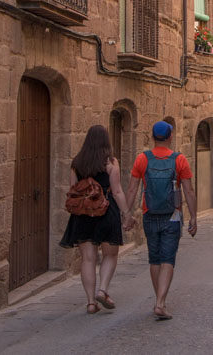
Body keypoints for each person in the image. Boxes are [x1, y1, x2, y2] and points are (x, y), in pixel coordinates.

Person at [124, 120, 197, 320]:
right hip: (172, 216)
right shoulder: (179, 159)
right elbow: (188, 191)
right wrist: (193, 217)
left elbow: (132, 189)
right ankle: (160, 302)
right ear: (170, 137)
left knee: (154, 258)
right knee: (168, 259)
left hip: (149, 214)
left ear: (152, 137)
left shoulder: (142, 159)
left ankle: (159, 300)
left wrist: (126, 213)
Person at [59, 125, 131, 314]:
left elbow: (73, 189)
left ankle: (91, 302)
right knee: (110, 254)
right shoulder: (111, 162)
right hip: (106, 213)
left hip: (83, 215)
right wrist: (126, 214)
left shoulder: (77, 163)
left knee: (88, 259)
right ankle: (103, 290)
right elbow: (116, 191)